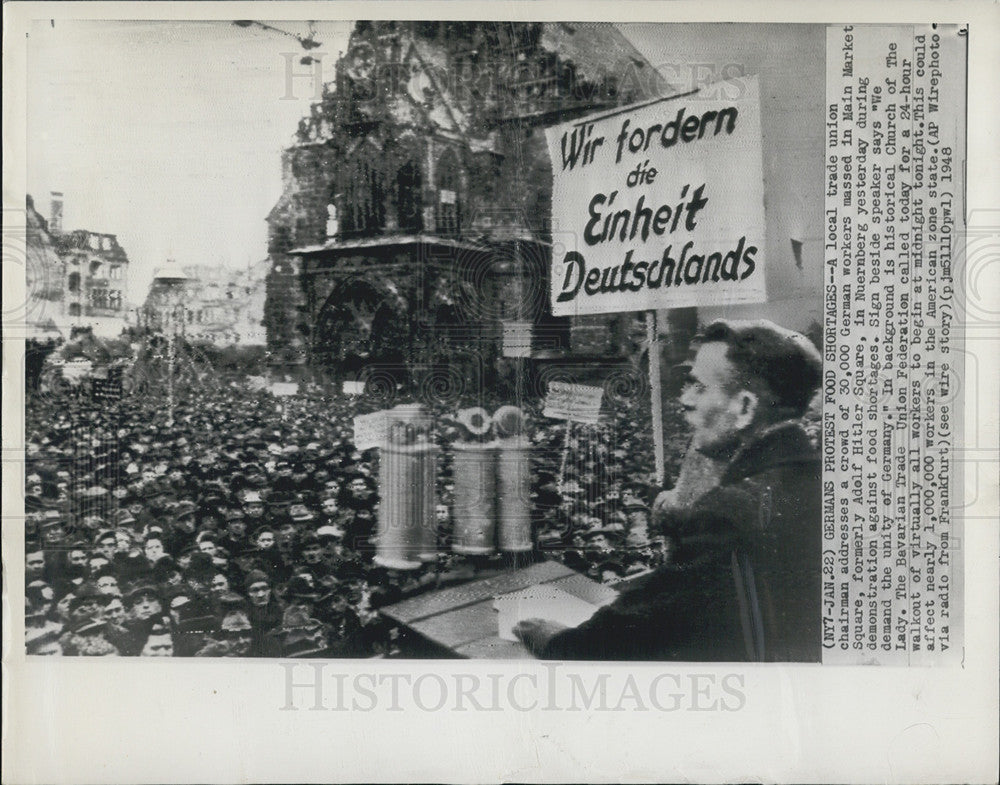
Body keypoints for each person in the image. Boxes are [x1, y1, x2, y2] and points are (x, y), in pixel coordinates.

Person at [515, 319, 823, 662]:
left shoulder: (728, 516)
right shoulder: (818, 483)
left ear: (746, 408)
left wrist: (555, 642)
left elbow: (641, 625)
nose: (684, 400)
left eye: (699, 388)